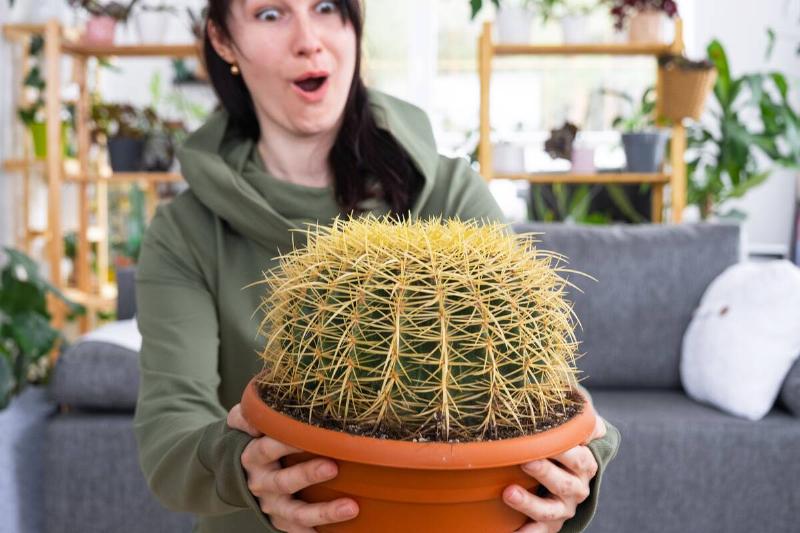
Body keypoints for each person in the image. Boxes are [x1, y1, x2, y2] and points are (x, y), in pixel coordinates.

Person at [132, 1, 621, 532]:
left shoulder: (448, 192)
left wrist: (577, 473)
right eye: (270, 14)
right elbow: (169, 441)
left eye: (325, 8)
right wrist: (237, 465)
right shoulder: (186, 231)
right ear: (224, 41)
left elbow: (542, 391)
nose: (308, 39)